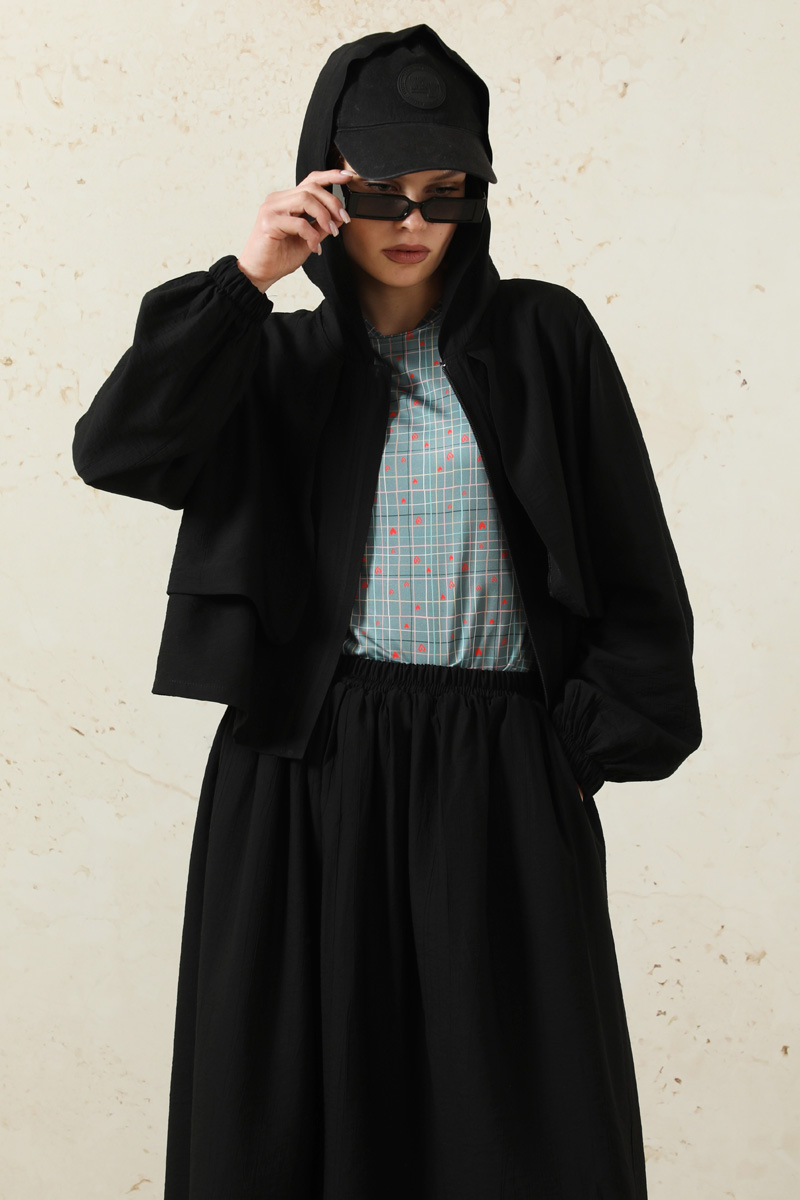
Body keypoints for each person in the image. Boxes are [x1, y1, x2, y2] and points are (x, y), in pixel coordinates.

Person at [71, 23, 702, 1200]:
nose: (411, 221)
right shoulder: (268, 359)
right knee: (291, 1123)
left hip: (500, 770)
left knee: (514, 1129)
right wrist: (245, 281)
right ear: (324, 188)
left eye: (443, 192)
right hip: (302, 774)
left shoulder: (546, 339)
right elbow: (117, 451)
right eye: (377, 191)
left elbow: (635, 577)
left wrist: (565, 755)